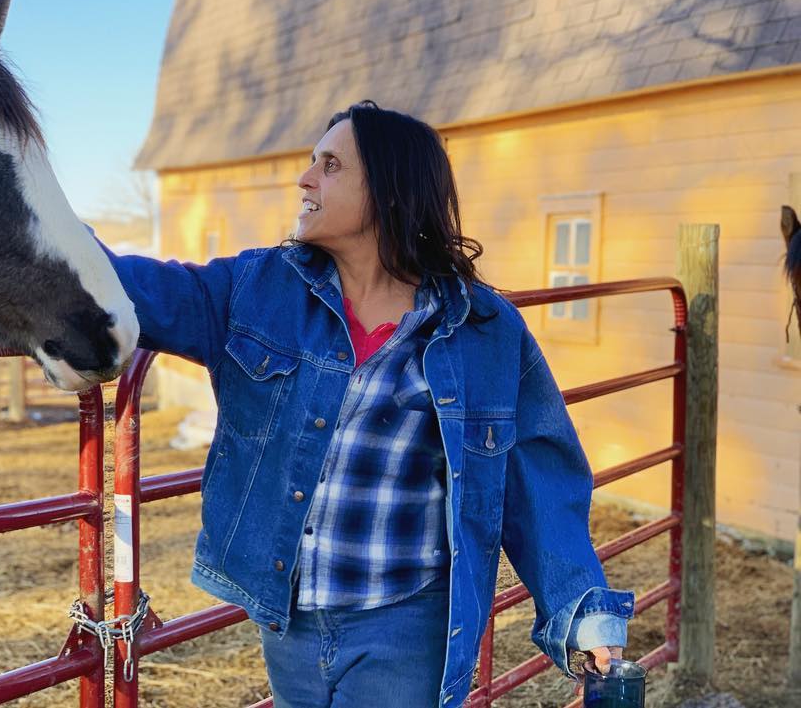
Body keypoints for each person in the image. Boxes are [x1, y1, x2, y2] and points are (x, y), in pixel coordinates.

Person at [100, 101, 634, 707]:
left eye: (330, 166)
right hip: (290, 621)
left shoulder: (483, 330)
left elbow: (538, 480)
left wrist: (583, 614)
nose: (305, 179)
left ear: (389, 192)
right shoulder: (257, 290)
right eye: (311, 162)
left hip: (406, 626)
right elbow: (137, 288)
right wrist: (39, 230)